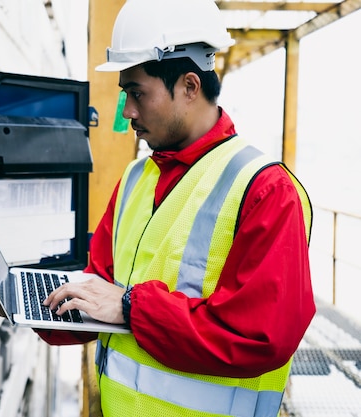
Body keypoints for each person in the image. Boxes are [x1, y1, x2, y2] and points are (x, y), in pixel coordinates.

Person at [37, 0, 316, 416]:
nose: (128, 112)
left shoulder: (267, 191)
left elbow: (258, 337)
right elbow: (100, 293)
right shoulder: (136, 178)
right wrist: (39, 307)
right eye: (125, 95)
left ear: (189, 86)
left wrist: (132, 307)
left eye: (137, 94)